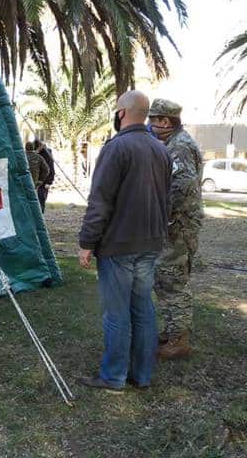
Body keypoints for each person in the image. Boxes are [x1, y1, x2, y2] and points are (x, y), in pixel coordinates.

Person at [77, 91, 171, 390]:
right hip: (150, 243)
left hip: (119, 246)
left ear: (121, 113)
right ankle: (142, 376)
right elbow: (166, 199)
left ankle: (113, 376)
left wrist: (87, 242)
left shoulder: (116, 148)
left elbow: (100, 201)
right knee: (143, 311)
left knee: (117, 314)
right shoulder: (161, 149)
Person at [148, 99, 204, 360]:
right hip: (177, 224)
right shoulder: (173, 142)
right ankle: (173, 331)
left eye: (153, 119)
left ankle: (178, 341)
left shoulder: (180, 146)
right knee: (166, 278)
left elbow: (182, 185)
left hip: (178, 227)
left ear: (165, 122)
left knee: (173, 281)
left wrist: (165, 216)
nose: (150, 124)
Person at [34, 139, 55, 212]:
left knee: (41, 198)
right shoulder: (35, 153)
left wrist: (49, 182)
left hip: (44, 181)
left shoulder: (47, 154)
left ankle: (40, 215)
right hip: (34, 180)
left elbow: (51, 168)